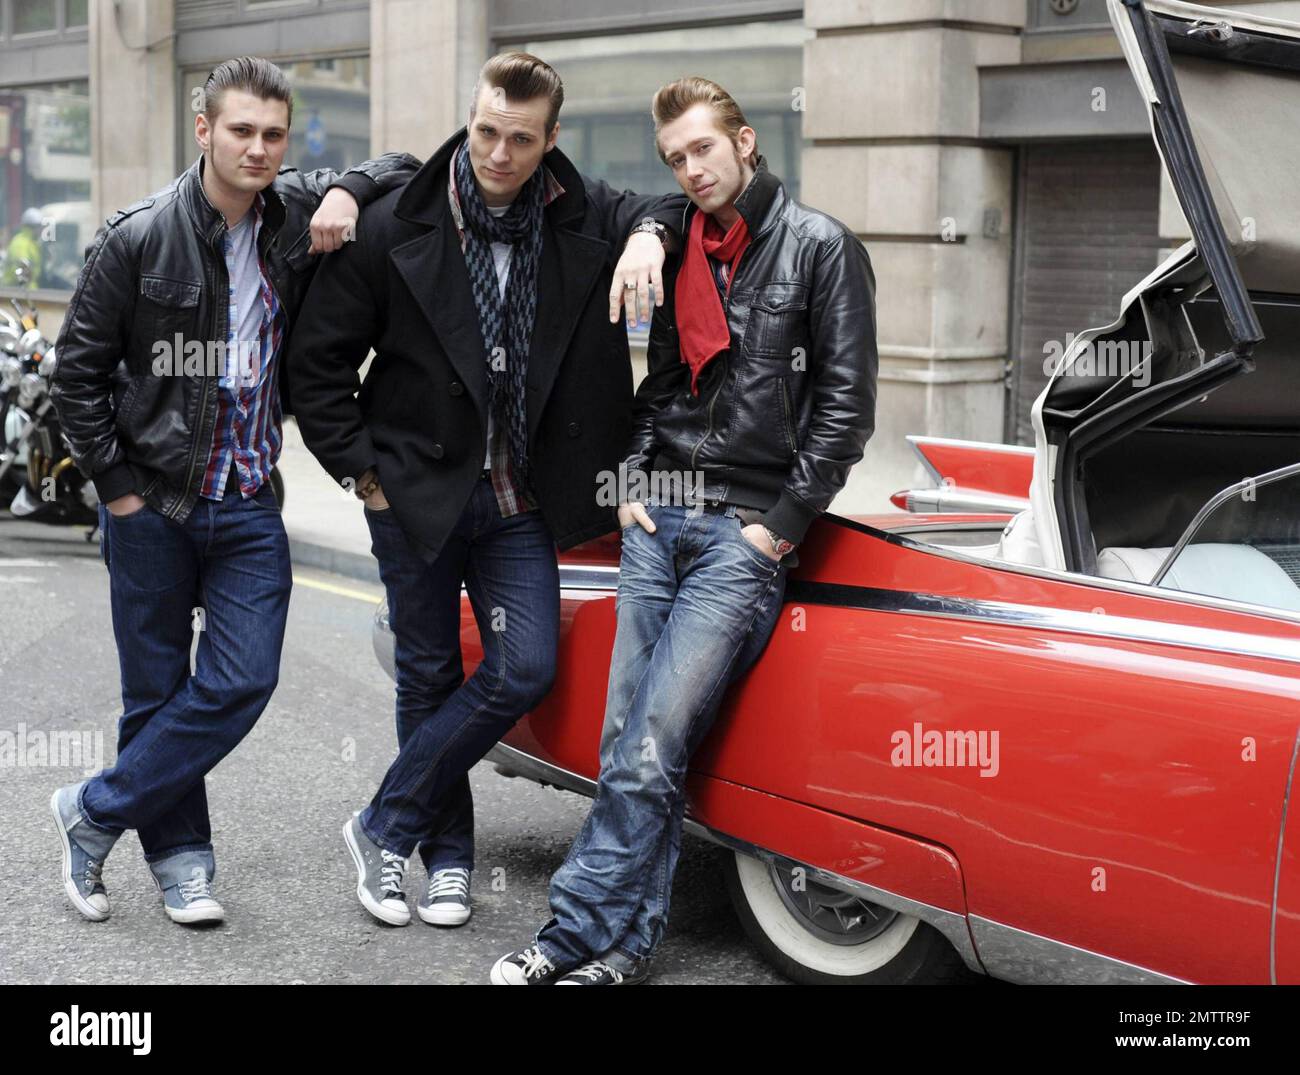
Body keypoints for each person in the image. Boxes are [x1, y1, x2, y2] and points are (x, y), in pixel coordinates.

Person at [285, 51, 685, 930]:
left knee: (523, 666)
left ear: (549, 140)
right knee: (428, 673)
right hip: (415, 494)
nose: (498, 154)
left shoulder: (584, 217)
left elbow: (669, 203)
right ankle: (448, 859)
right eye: (485, 132)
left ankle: (383, 822)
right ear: (470, 120)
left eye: (520, 139)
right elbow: (315, 368)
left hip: (517, 504)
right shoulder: (394, 223)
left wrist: (651, 238)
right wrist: (364, 473)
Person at [492, 76, 878, 984]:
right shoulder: (680, 245)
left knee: (653, 743)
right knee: (626, 740)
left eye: (704, 148)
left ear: (746, 142)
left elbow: (847, 410)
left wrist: (779, 529)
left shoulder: (822, 249)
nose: (691, 168)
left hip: (739, 536)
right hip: (656, 518)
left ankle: (566, 937)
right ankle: (623, 952)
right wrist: (631, 476)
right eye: (674, 158)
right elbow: (663, 384)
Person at [48, 56, 417, 926]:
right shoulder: (136, 236)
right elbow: (77, 376)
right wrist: (121, 493)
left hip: (250, 497)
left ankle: (92, 811)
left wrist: (348, 191)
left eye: (273, 134)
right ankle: (183, 866)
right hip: (155, 501)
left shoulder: (290, 216)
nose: (257, 147)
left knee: (242, 678)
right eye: (241, 129)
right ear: (204, 128)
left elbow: (410, 165)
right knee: (156, 691)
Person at [3, 207, 44, 288]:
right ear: (32, 227)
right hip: (18, 292)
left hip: (27, 289)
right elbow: (22, 274)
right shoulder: (20, 244)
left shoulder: (32, 242)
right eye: (39, 226)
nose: (41, 229)